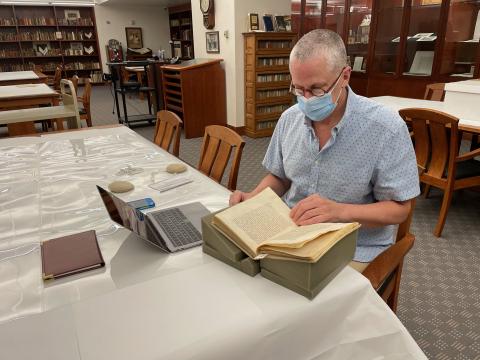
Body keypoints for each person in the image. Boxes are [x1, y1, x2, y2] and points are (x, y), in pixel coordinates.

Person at [230, 29, 420, 272]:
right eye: (298, 89)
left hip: (352, 244)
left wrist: (339, 211)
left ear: (345, 76)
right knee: (237, 271)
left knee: (298, 299)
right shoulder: (290, 119)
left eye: (317, 89)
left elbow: (399, 210)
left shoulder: (385, 128)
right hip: (290, 232)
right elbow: (280, 177)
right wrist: (252, 198)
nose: (307, 99)